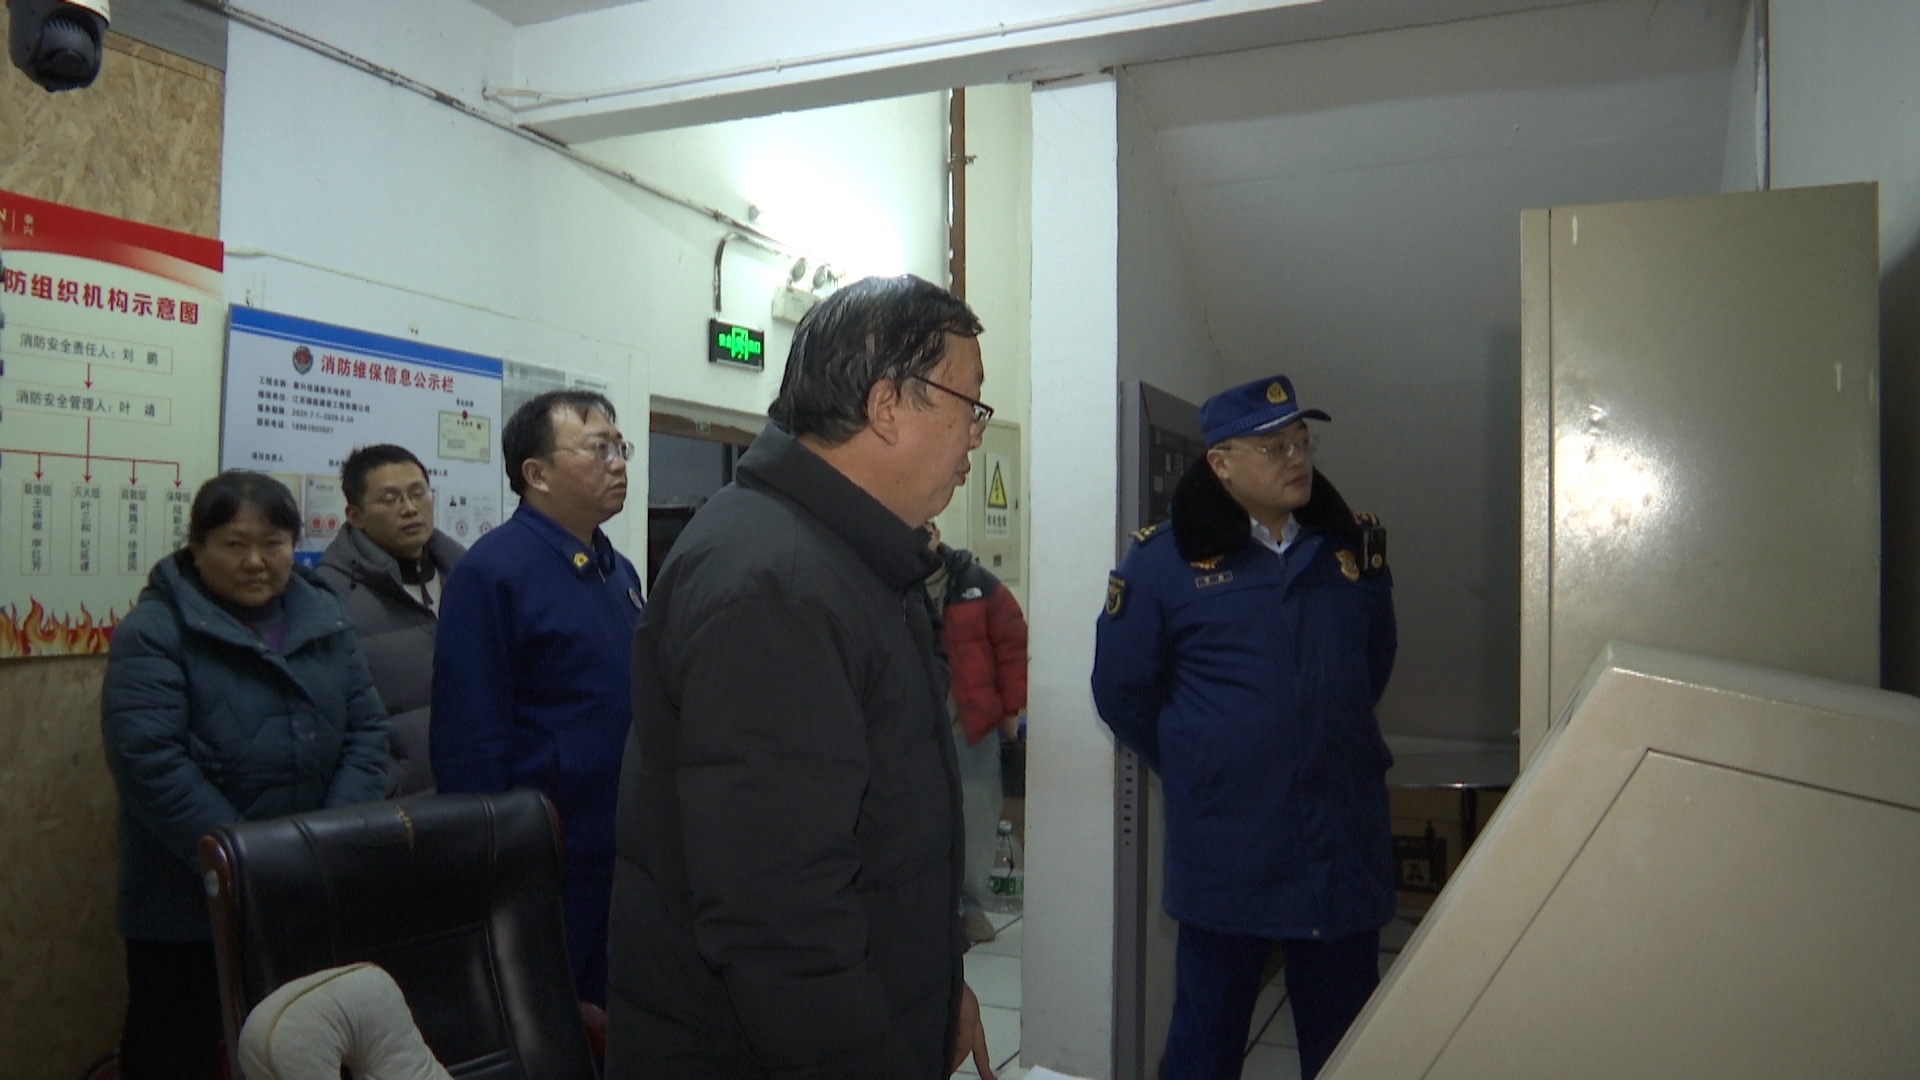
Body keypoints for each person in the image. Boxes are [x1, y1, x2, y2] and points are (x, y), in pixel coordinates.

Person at [606, 275, 996, 1079]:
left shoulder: (850, 555)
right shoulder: (776, 584)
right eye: (971, 405)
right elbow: (779, 919)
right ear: (889, 405)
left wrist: (936, 985)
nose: (975, 437)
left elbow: (878, 832)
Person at [1091, 375, 1397, 1080]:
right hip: (1228, 853)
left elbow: (1369, 669)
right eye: (1273, 447)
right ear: (1221, 464)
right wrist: (1202, 758)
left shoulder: (1350, 551)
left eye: (1302, 441)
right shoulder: (1162, 563)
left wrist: (1313, 735)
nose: (1297, 458)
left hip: (1339, 848)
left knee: (1347, 1050)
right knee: (1205, 1045)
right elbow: (1121, 692)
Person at [101, 470, 392, 1080]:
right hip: (189, 903)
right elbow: (151, 763)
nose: (256, 562)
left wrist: (320, 846)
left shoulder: (326, 616)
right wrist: (250, 864)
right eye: (235, 545)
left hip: (310, 891)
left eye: (274, 544)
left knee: (298, 1050)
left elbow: (368, 734)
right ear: (197, 548)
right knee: (178, 1052)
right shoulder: (155, 631)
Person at [431, 389, 644, 1007]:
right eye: (599, 449)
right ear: (537, 473)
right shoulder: (493, 572)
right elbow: (470, 742)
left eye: (620, 448)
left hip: (619, 844)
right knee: (544, 1017)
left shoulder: (617, 569)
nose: (618, 463)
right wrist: (496, 866)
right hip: (546, 860)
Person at [318, 443, 465, 796]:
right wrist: (384, 786)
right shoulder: (330, 596)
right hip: (396, 802)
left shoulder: (468, 575)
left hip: (476, 789)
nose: (410, 508)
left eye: (418, 493)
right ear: (355, 515)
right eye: (389, 499)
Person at [923, 521, 1028, 945]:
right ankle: (928, 910)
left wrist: (1010, 709)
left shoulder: (976, 584)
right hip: (912, 730)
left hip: (970, 728)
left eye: (926, 530)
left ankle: (970, 907)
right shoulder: (887, 580)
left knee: (977, 816)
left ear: (936, 533)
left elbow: (1012, 643)